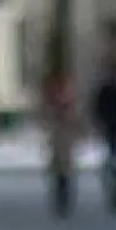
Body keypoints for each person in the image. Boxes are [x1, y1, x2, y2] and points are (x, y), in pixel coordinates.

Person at [41, 65, 81, 218]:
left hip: (65, 141)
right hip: (58, 142)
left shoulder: (69, 102)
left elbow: (74, 119)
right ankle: (60, 199)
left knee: (65, 172)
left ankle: (64, 199)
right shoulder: (52, 103)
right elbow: (47, 118)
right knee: (59, 172)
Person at [91, 58, 116, 214]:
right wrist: (101, 123)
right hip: (112, 130)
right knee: (114, 161)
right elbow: (99, 108)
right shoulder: (106, 90)